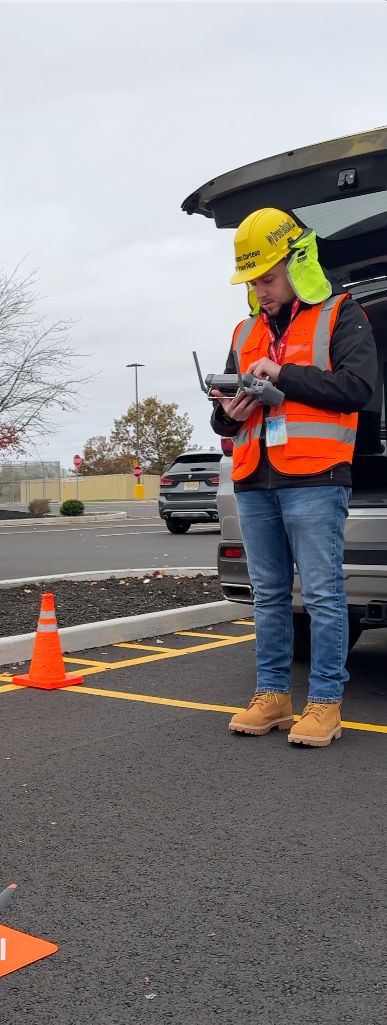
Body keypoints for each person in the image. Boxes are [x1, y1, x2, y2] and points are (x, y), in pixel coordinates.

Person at [211, 208, 377, 747]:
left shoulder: (340, 314)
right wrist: (227, 413)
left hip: (316, 477)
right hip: (256, 477)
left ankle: (325, 702)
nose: (261, 290)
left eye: (268, 278)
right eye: (253, 281)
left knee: (325, 595)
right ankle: (273, 695)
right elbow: (221, 417)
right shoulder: (245, 331)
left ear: (296, 263)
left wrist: (282, 374)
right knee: (268, 594)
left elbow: (357, 389)